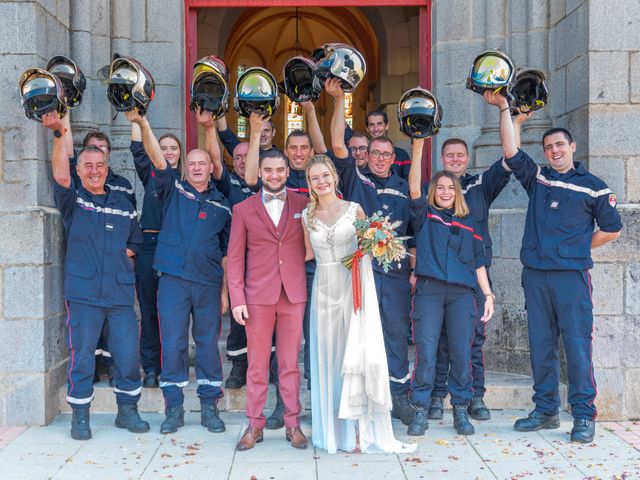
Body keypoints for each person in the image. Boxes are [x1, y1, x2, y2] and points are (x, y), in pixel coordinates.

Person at [484, 90, 623, 443]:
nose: (554, 151)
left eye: (559, 145)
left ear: (572, 147)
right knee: (541, 346)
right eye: (548, 147)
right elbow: (511, 151)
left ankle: (583, 415)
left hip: (571, 279)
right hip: (536, 277)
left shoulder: (594, 187)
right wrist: (507, 111)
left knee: (576, 347)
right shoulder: (539, 179)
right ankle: (545, 410)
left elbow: (611, 229)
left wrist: (576, 247)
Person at [42, 111, 149, 440]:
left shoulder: (122, 201)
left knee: (128, 353)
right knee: (83, 353)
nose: (93, 171)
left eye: (99, 165)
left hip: (118, 293)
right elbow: (60, 174)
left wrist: (116, 257)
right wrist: (61, 131)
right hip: (84, 293)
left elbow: (135, 241)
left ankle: (127, 410)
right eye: (87, 166)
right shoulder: (74, 200)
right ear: (79, 170)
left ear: (107, 169)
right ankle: (81, 414)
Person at [303, 155, 416, 454]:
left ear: (334, 177)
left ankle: (359, 430)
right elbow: (305, 255)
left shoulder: (354, 210)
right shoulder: (306, 216)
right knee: (329, 357)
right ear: (309, 184)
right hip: (324, 288)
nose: (322, 181)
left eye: (325, 175)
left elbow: (368, 248)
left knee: (354, 354)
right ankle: (333, 432)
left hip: (352, 287)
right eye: (315, 178)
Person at [127, 109, 231, 435]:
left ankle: (210, 407)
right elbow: (159, 160)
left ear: (213, 169)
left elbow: (227, 255)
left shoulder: (223, 206)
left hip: (208, 283)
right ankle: (174, 409)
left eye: (204, 164)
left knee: (207, 344)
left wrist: (227, 292)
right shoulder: (173, 189)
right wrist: (143, 122)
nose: (198, 168)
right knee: (172, 344)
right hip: (171, 280)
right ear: (185, 168)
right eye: (193, 164)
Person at [326, 78, 416, 427]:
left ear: (395, 159)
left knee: (395, 333)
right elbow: (337, 143)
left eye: (386, 154)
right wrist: (338, 102)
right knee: (357, 333)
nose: (379, 159)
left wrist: (413, 268)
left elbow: (414, 230)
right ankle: (356, 398)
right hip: (358, 271)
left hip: (392, 275)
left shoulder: (403, 188)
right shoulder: (354, 178)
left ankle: (398, 398)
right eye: (374, 153)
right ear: (367, 156)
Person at [429, 129, 521, 421]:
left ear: (467, 158)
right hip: (440, 277)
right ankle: (436, 395)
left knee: (474, 337)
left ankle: (475, 396)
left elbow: (510, 157)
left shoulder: (481, 184)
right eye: (449, 155)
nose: (455, 159)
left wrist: (513, 118)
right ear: (441, 159)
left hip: (475, 274)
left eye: (460, 155)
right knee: (441, 338)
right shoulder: (433, 190)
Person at [407, 137, 495, 436]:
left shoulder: (468, 222)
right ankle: (419, 409)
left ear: (457, 193)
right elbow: (414, 188)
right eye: (440, 188)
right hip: (429, 292)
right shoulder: (424, 215)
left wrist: (488, 295)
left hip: (461, 295)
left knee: (461, 352)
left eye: (450, 188)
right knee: (427, 352)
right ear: (435, 192)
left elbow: (479, 263)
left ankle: (460, 409)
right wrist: (418, 145)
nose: (445, 192)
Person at [227, 149, 310, 451]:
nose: (274, 176)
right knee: (257, 365)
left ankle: (293, 424)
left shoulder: (304, 204)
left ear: (288, 172)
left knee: (290, 364)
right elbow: (235, 258)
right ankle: (254, 425)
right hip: (257, 296)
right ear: (259, 173)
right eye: (268, 170)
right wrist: (237, 298)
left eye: (279, 170)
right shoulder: (243, 209)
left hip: (293, 294)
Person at [129, 123, 183, 388]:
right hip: (149, 244)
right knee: (148, 310)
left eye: (173, 148)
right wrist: (136, 118)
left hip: (176, 248)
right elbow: (137, 149)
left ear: (181, 153)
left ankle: (174, 365)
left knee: (173, 312)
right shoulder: (149, 173)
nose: (169, 152)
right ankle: (151, 368)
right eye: (163, 148)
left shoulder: (187, 181)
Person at [210, 140, 261, 390]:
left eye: (247, 156)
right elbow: (217, 164)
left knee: (266, 317)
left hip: (264, 262)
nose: (242, 161)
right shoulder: (230, 185)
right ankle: (239, 366)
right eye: (238, 157)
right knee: (239, 316)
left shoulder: (269, 184)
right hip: (237, 259)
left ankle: (268, 363)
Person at [346, 110, 411, 178]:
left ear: (387, 126)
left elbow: (408, 182)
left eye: (379, 124)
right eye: (372, 125)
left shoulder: (402, 154)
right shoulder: (362, 155)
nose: (376, 129)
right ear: (367, 129)